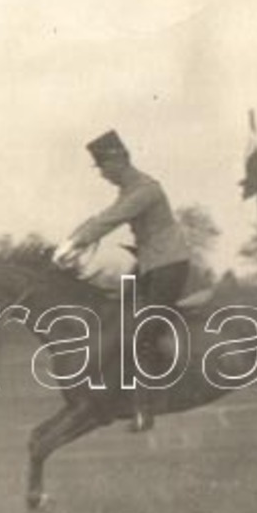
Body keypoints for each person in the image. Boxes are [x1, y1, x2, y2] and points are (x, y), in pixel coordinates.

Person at [56, 129, 192, 432]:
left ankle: (144, 408)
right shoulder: (130, 191)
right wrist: (71, 241)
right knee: (119, 323)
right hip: (150, 266)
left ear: (117, 160)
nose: (102, 175)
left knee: (142, 332)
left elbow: (111, 219)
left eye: (103, 167)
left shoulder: (146, 190)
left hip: (169, 265)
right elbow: (103, 215)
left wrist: (76, 242)